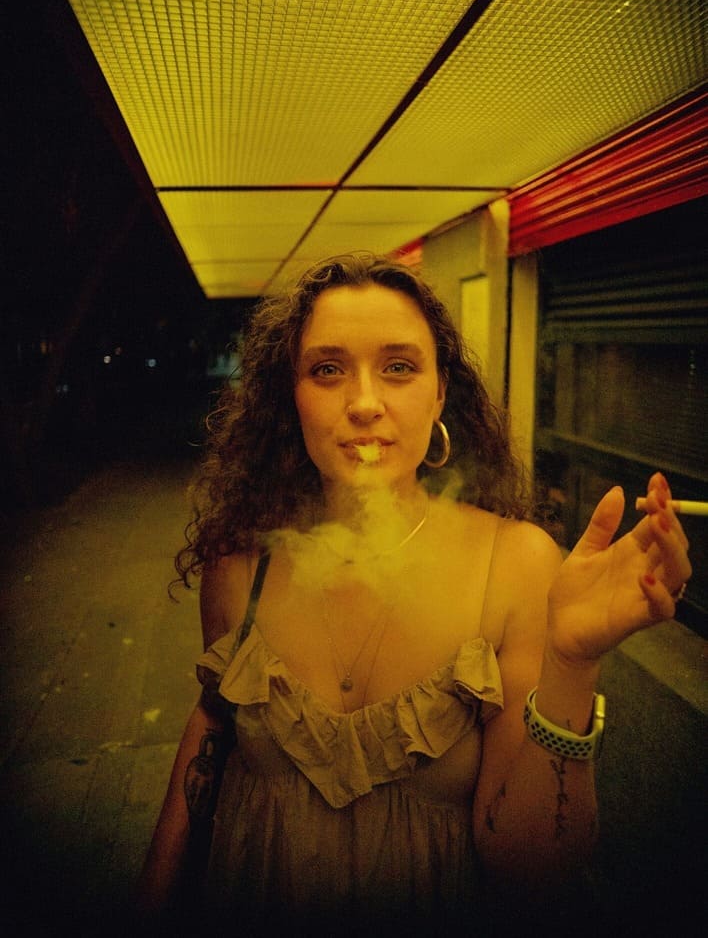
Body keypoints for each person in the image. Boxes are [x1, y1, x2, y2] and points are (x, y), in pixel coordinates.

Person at [136, 252, 691, 935]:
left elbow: (531, 872)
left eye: (399, 367)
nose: (364, 403)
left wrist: (572, 667)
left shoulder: (514, 563)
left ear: (437, 397)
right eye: (327, 369)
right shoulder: (237, 565)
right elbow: (211, 733)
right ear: (291, 395)